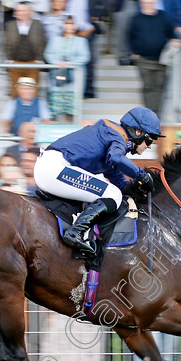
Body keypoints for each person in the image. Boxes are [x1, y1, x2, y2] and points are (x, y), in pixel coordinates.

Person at [33, 106, 158, 254]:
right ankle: (76, 232)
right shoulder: (117, 137)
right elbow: (118, 159)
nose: (149, 146)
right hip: (54, 168)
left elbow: (121, 183)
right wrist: (142, 176)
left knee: (115, 193)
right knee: (113, 195)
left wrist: (137, 188)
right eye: (150, 139)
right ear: (138, 132)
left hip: (50, 168)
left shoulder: (112, 141)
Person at [128, 0, 180, 115]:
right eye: (145, 3)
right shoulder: (136, 18)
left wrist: (176, 40)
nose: (147, 5)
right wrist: (134, 52)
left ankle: (156, 114)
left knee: (159, 87)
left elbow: (170, 32)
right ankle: (149, 114)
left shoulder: (162, 16)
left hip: (161, 59)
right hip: (144, 59)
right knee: (148, 87)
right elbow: (130, 36)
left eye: (150, 2)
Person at [44, 16, 90, 123]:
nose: (69, 26)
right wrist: (57, 63)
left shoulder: (81, 41)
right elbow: (48, 54)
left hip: (74, 78)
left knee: (72, 106)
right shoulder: (55, 40)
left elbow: (85, 56)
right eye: (67, 23)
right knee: (58, 106)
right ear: (63, 25)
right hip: (58, 75)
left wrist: (70, 64)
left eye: (72, 23)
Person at [4, 2, 47, 97]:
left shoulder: (38, 24)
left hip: (32, 63)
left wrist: (38, 60)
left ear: (30, 12)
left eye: (23, 10)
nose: (20, 13)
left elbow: (42, 42)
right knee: (15, 93)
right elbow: (6, 43)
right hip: (15, 63)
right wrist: (10, 60)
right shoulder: (10, 25)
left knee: (33, 93)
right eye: (18, 11)